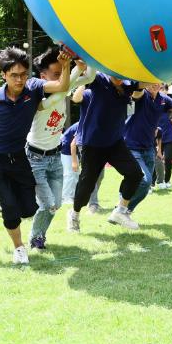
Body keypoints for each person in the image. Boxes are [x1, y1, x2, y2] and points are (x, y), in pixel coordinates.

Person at [0, 47, 71, 264]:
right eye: (14, 75)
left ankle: (7, 199)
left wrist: (65, 65)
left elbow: (62, 86)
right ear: (4, 75)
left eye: (23, 74)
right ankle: (19, 249)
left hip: (19, 156)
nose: (19, 79)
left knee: (29, 208)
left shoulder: (33, 88)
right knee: (11, 207)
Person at [26, 50, 94, 250]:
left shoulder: (63, 86)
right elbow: (62, 92)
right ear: (43, 78)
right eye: (56, 75)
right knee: (48, 204)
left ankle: (39, 235)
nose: (61, 78)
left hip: (55, 156)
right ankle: (35, 237)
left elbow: (90, 76)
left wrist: (92, 57)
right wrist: (72, 69)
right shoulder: (35, 97)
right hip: (35, 158)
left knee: (55, 205)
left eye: (61, 73)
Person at [67, 72, 146, 233]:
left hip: (115, 142)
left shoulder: (127, 84)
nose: (118, 77)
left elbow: (143, 83)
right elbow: (78, 94)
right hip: (92, 143)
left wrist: (159, 73)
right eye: (115, 73)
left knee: (135, 173)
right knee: (87, 184)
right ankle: (74, 215)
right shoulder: (99, 79)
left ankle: (120, 212)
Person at [60, 122, 80, 204]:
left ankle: (73, 195)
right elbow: (73, 144)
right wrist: (74, 162)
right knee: (70, 174)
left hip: (73, 150)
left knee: (75, 174)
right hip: (66, 150)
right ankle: (66, 197)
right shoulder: (83, 124)